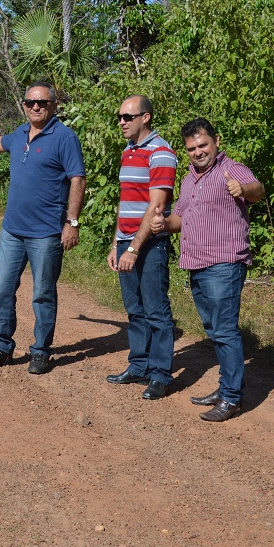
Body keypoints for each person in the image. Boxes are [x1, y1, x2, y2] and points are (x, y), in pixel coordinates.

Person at [0, 82, 86, 375]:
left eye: (42, 102)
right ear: (24, 105)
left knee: (43, 294)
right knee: (3, 289)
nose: (35, 106)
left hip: (46, 232)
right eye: (30, 102)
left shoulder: (65, 137)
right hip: (12, 230)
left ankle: (41, 352)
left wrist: (72, 222)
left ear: (54, 106)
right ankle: (1, 346)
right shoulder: (20, 134)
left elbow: (78, 179)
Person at [152, 117, 266, 421]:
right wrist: (163, 223)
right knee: (215, 329)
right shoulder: (189, 180)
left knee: (225, 330)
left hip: (225, 262)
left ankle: (231, 398)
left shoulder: (232, 169)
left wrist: (242, 189)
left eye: (203, 145)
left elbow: (258, 190)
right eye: (191, 148)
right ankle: (226, 387)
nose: (198, 152)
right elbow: (180, 219)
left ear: (216, 141)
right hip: (196, 263)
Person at [105, 95, 177, 400]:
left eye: (127, 117)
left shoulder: (161, 152)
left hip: (150, 245)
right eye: (119, 117)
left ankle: (160, 374)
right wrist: (117, 243)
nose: (121, 122)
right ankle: (138, 365)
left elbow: (157, 206)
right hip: (126, 241)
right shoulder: (128, 151)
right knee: (134, 310)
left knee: (156, 311)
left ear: (145, 117)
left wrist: (134, 249)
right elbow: (125, 201)